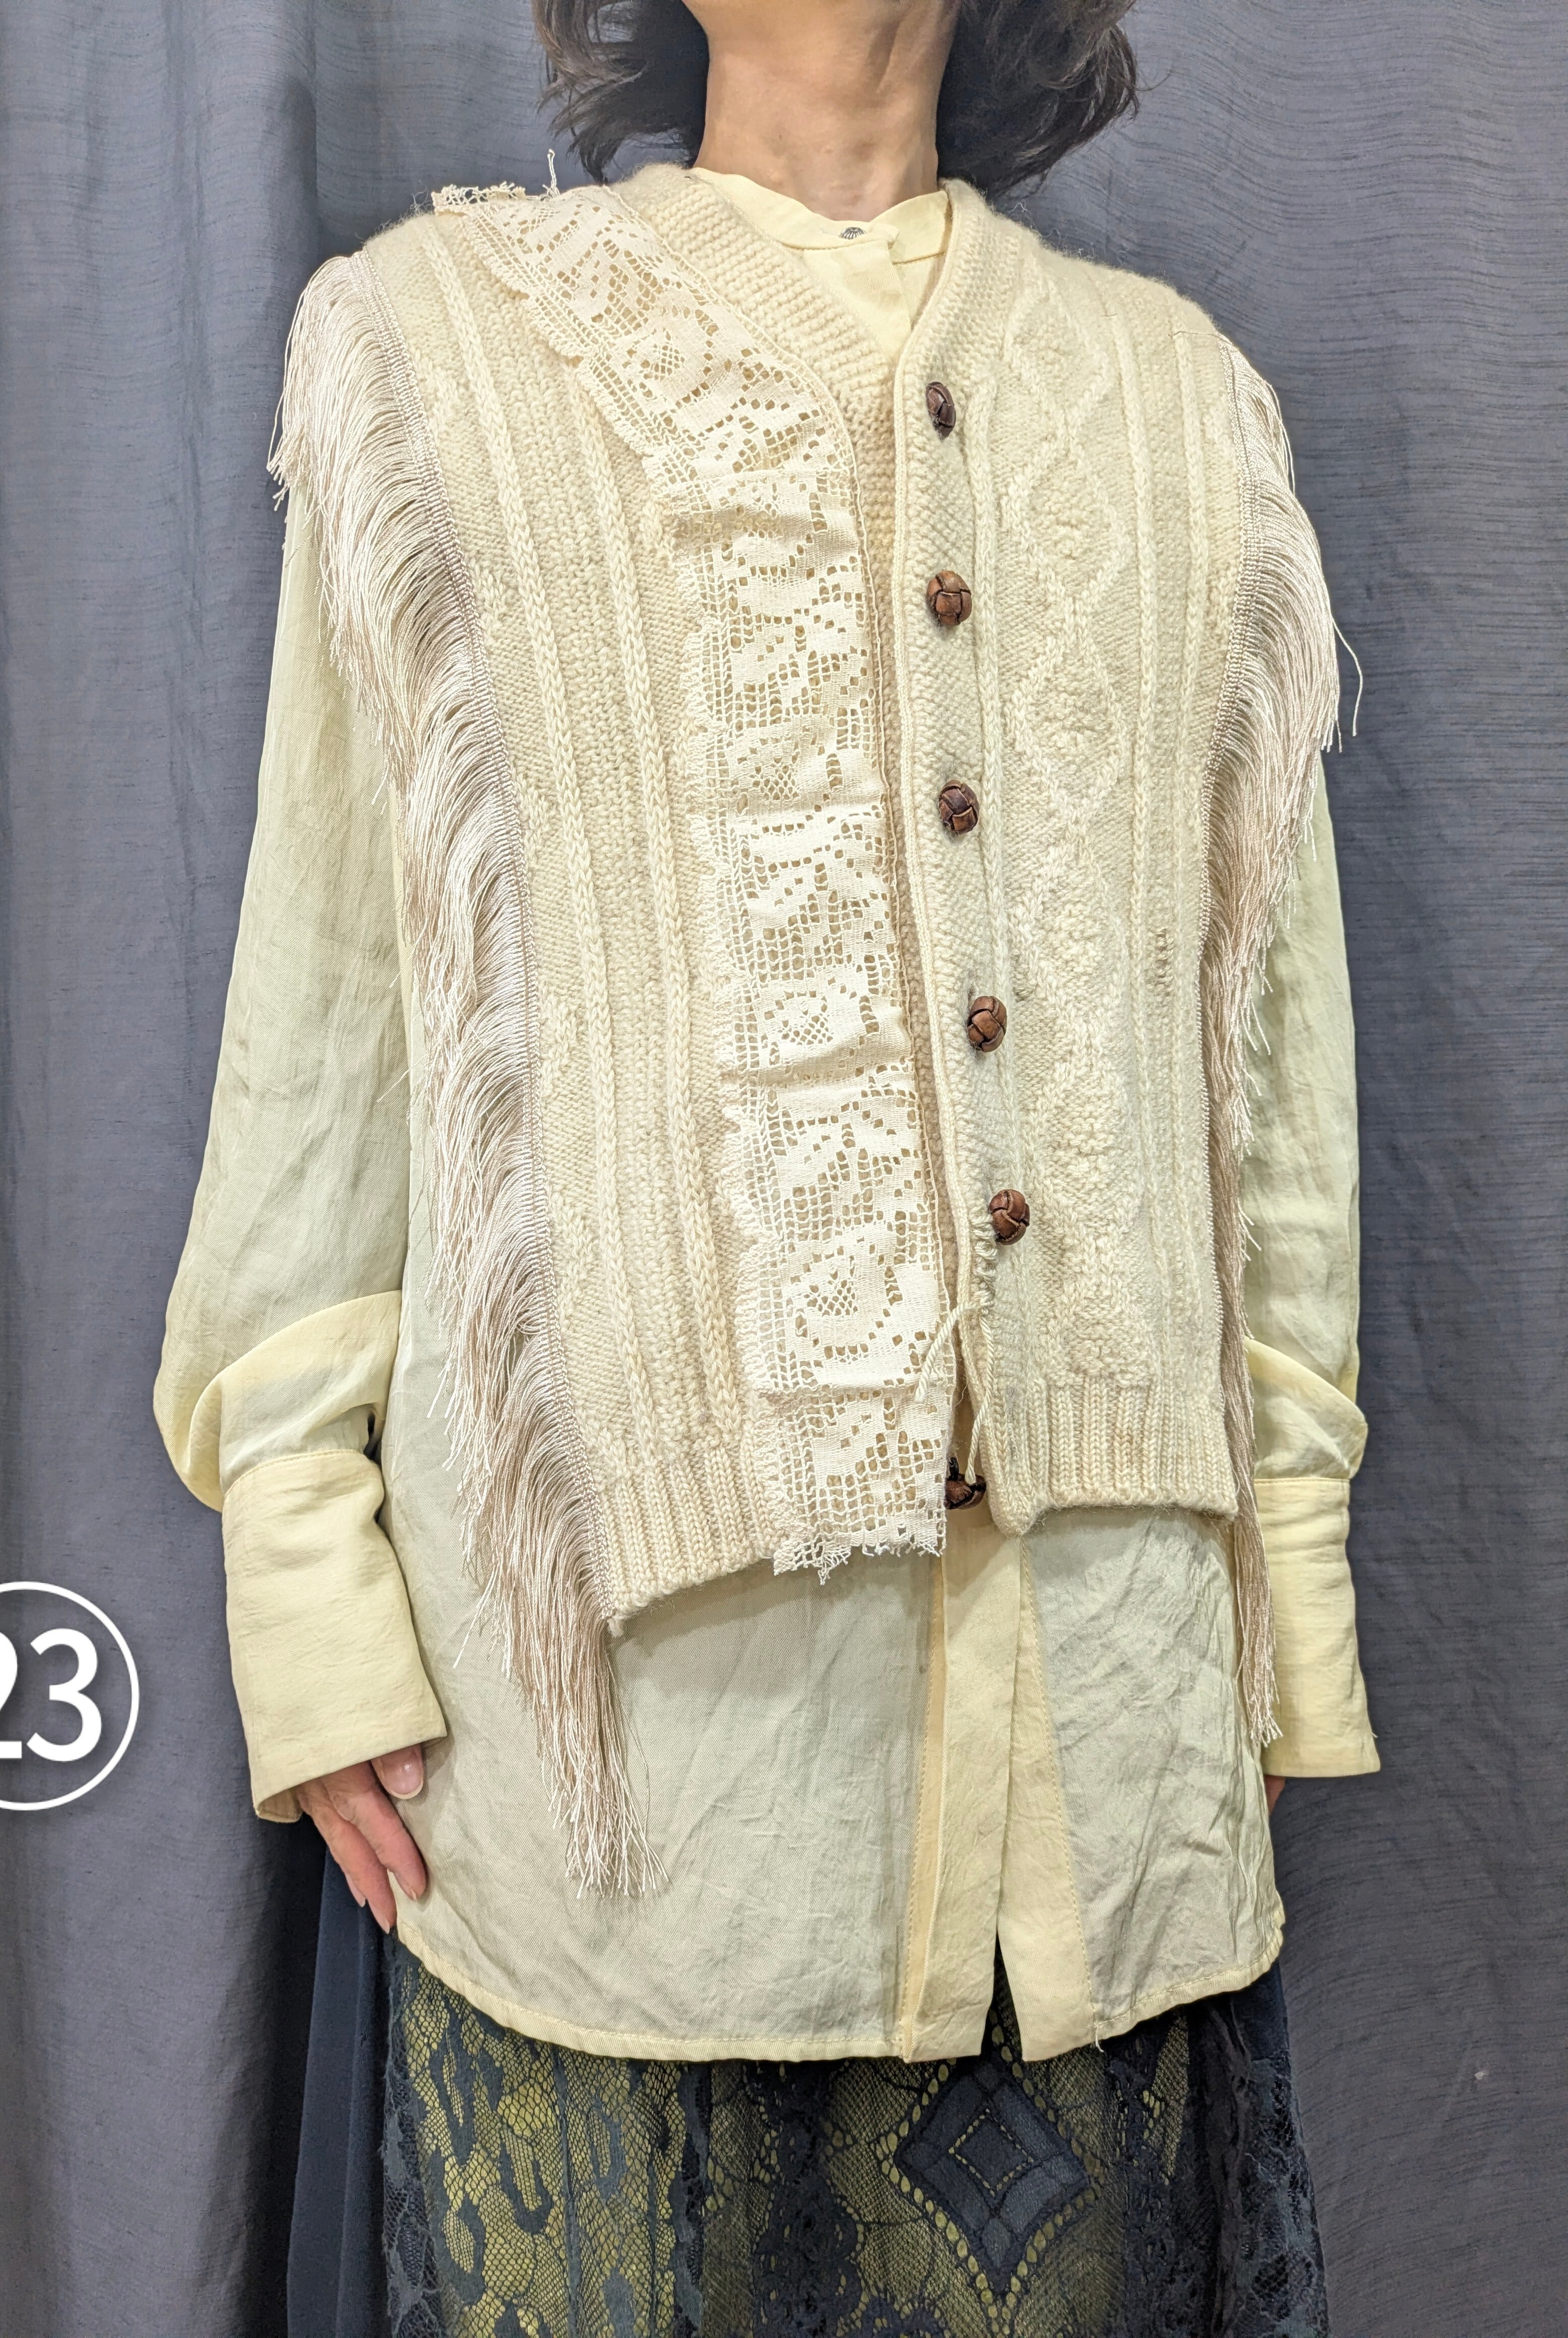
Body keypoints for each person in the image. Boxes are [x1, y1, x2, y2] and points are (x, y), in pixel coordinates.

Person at [157, 1, 1378, 2327]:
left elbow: (1264, 1065)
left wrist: (1280, 1596)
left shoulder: (1182, 406)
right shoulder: (439, 353)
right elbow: (339, 1004)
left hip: (1105, 1770)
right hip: (636, 1796)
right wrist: (305, 1578)